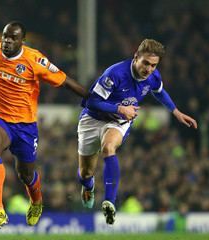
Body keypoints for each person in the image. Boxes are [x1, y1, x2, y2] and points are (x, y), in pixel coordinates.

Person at [0, 21, 88, 229]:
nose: (6, 41)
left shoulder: (34, 60)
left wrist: (92, 99)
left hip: (25, 126)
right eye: (5, 36)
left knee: (26, 174)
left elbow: (65, 81)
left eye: (12, 38)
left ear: (22, 41)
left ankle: (36, 202)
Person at [76, 39, 198, 225]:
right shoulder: (114, 74)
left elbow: (159, 91)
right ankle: (88, 186)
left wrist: (176, 112)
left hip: (118, 122)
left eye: (153, 65)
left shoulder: (153, 76)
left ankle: (109, 202)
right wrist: (120, 108)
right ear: (136, 57)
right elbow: (91, 101)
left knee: (109, 147)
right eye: (146, 63)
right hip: (93, 119)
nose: (149, 69)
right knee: (86, 172)